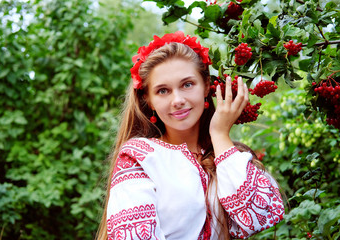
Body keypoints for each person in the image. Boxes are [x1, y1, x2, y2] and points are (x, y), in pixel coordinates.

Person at [96, 31, 284, 240]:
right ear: (148, 100)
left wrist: (220, 134)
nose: (177, 100)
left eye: (187, 84)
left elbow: (261, 216)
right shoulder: (139, 156)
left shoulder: (230, 156)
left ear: (205, 86)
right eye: (163, 91)